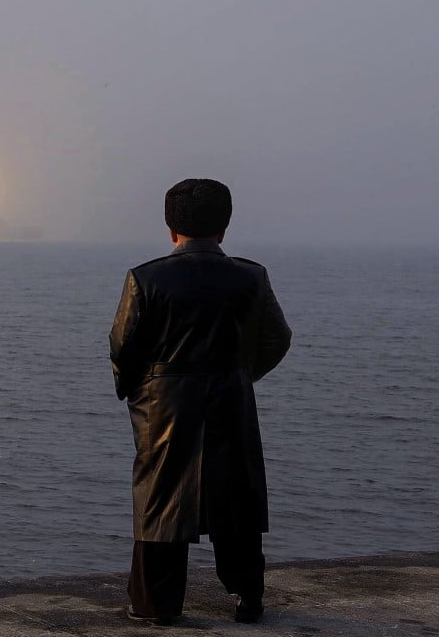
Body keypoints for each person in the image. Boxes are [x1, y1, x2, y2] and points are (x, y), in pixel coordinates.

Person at [109, 178, 291, 625]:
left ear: (171, 229)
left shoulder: (145, 278)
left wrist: (140, 390)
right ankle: (248, 597)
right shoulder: (251, 276)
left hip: (164, 405)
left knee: (160, 500)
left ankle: (155, 604)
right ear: (224, 228)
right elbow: (277, 338)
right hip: (231, 396)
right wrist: (242, 375)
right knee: (237, 496)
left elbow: (123, 347)